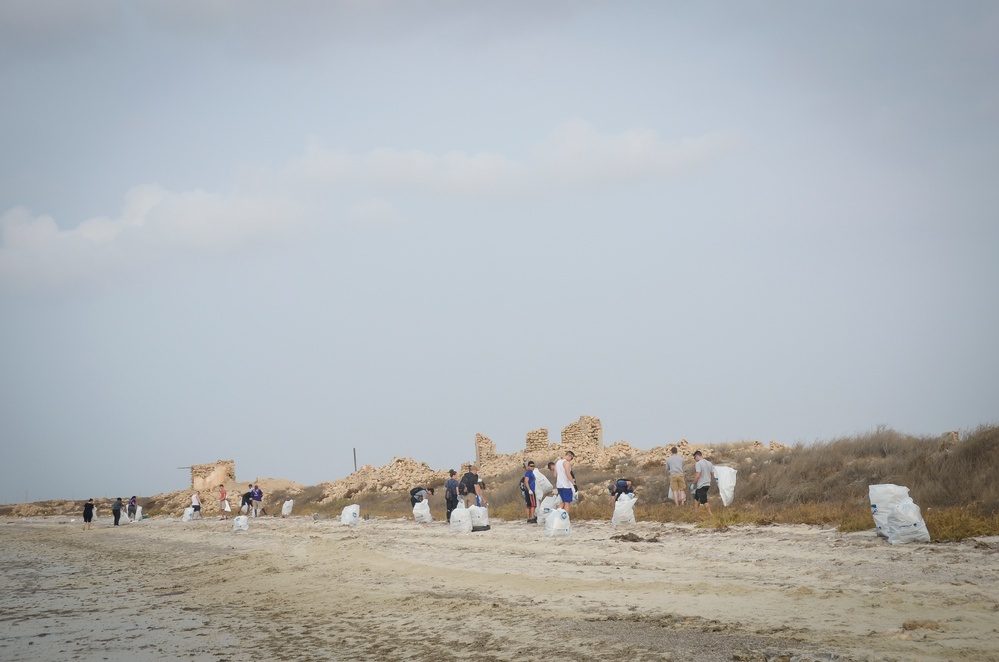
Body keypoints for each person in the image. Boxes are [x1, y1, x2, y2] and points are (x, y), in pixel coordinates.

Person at [692, 450, 716, 516]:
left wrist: (693, 483)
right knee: (696, 499)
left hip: (701, 485)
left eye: (694, 458)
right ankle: (695, 514)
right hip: (707, 484)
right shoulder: (709, 463)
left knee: (704, 501)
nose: (695, 459)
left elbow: (698, 475)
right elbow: (713, 474)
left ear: (697, 456)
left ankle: (711, 516)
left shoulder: (698, 463)